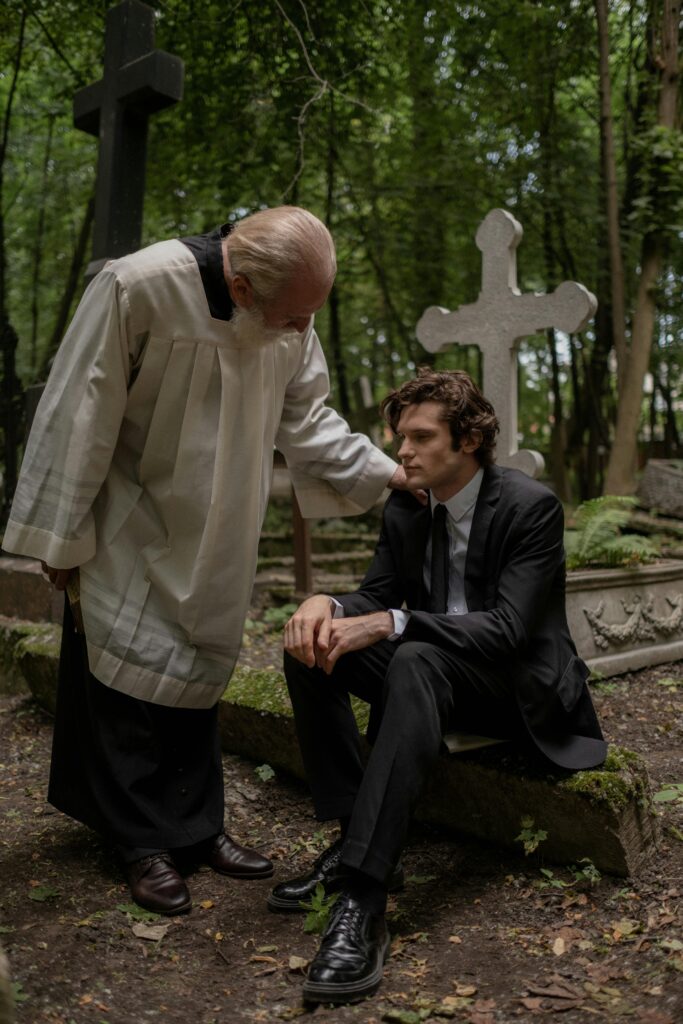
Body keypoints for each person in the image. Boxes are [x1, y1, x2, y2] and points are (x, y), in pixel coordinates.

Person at [3, 206, 409, 916]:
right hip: (131, 515)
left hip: (221, 522)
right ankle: (140, 842)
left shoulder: (291, 314)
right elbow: (80, 411)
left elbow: (307, 416)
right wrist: (61, 538)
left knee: (195, 669)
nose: (301, 329)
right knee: (122, 676)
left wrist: (387, 477)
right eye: (294, 316)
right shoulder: (139, 287)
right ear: (244, 286)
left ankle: (195, 829)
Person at [272, 368, 607, 1005]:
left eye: (421, 437)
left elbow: (508, 630)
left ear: (469, 441)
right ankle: (354, 840)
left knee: (415, 657)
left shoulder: (530, 507)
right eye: (400, 436)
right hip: (434, 672)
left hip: (516, 691)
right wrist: (326, 603)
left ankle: (364, 901)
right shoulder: (406, 505)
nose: (402, 451)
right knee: (312, 645)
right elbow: (374, 593)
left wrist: (393, 621)